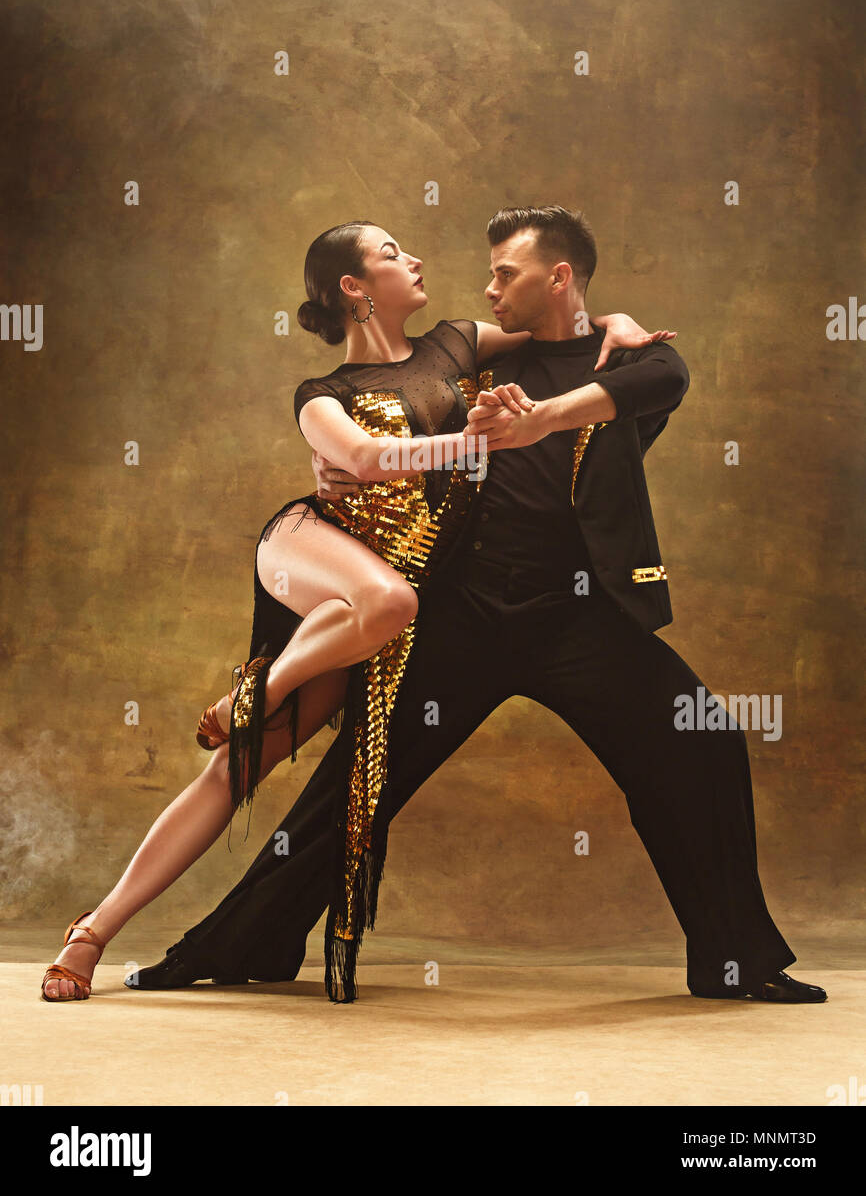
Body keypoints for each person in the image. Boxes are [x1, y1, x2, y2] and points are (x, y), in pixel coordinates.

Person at [127, 205, 826, 1006]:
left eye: (507, 274)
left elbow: (664, 379)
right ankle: (234, 947)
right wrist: (342, 470)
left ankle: (734, 962)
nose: (488, 286)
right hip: (461, 610)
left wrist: (548, 415)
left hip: (578, 617)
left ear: (559, 278)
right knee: (357, 778)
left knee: (701, 745)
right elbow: (389, 418)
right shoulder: (469, 365)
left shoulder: (628, 362)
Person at [40, 218, 664, 1002]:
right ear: (354, 287)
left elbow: (563, 319)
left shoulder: (458, 344)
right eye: (393, 253)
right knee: (386, 597)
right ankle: (242, 709)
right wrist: (475, 444)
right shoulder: (323, 396)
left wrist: (623, 326)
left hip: (379, 620)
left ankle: (99, 927)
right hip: (315, 553)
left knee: (238, 770)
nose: (418, 258)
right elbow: (366, 460)